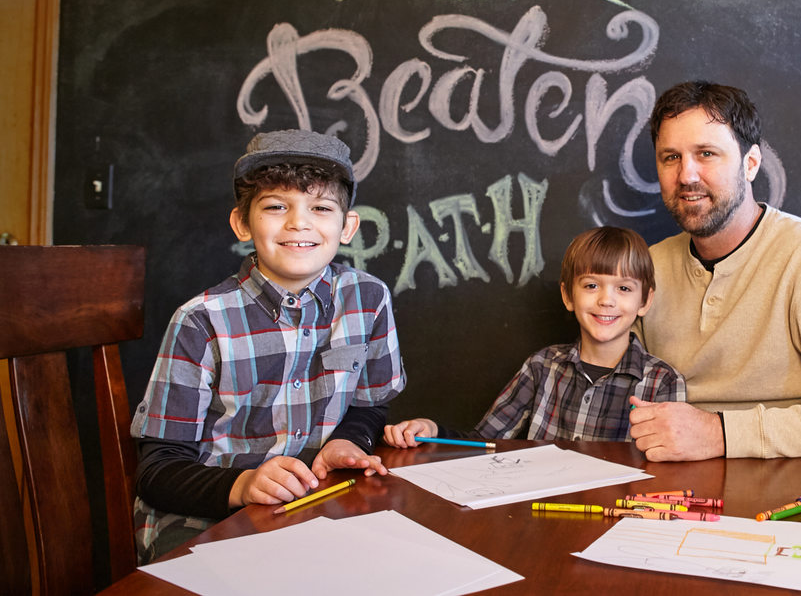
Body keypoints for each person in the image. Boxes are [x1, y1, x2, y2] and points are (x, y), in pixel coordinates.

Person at [130, 129, 407, 562]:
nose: (299, 223)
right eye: (276, 207)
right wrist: (242, 486)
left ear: (347, 226)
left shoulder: (367, 298)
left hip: (310, 506)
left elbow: (369, 404)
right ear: (242, 222)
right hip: (203, 520)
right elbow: (158, 468)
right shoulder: (201, 321)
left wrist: (347, 440)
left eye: (320, 207)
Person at [629, 81, 801, 461]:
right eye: (670, 157)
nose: (686, 176)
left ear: (751, 163)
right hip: (670, 488)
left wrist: (721, 433)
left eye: (707, 153)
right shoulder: (647, 268)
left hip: (786, 488)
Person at [384, 226, 685, 446]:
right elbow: (484, 443)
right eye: (591, 286)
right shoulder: (542, 367)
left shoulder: (662, 382)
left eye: (624, 288)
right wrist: (433, 430)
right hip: (541, 516)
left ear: (644, 301)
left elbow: (666, 471)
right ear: (568, 296)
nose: (606, 300)